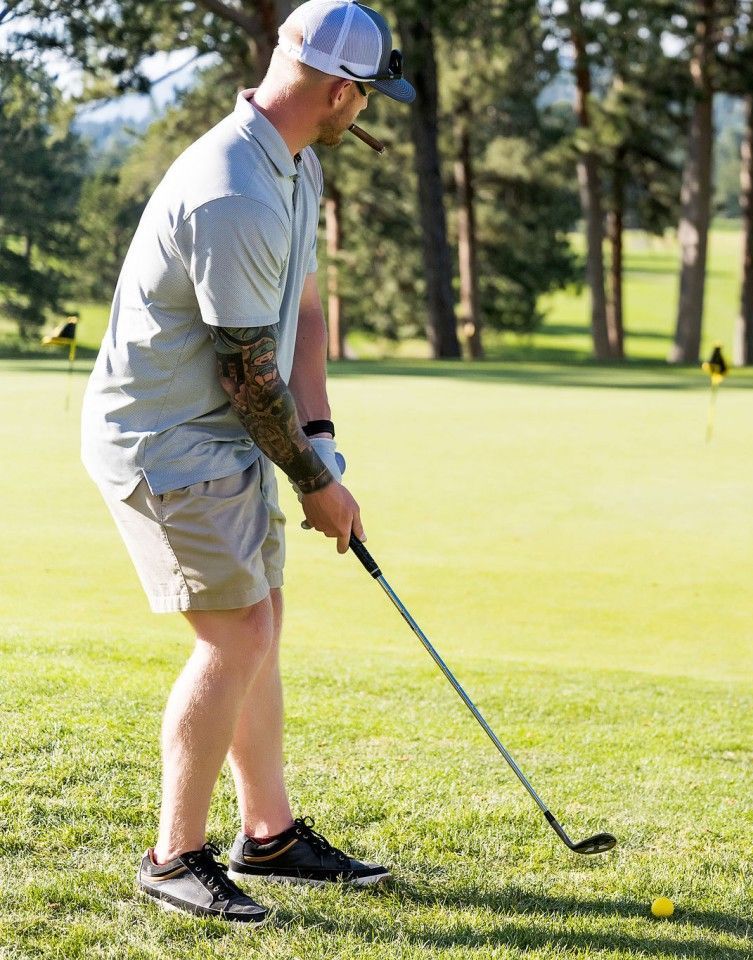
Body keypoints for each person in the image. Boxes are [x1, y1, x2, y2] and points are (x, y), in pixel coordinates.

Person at [79, 0, 415, 924]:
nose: (368, 113)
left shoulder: (295, 164)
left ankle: (267, 835)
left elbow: (300, 315)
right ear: (341, 90)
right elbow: (244, 372)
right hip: (169, 437)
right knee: (232, 640)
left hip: (224, 431)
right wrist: (320, 488)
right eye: (369, 96)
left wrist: (322, 439)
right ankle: (172, 855)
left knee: (260, 621)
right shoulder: (234, 188)